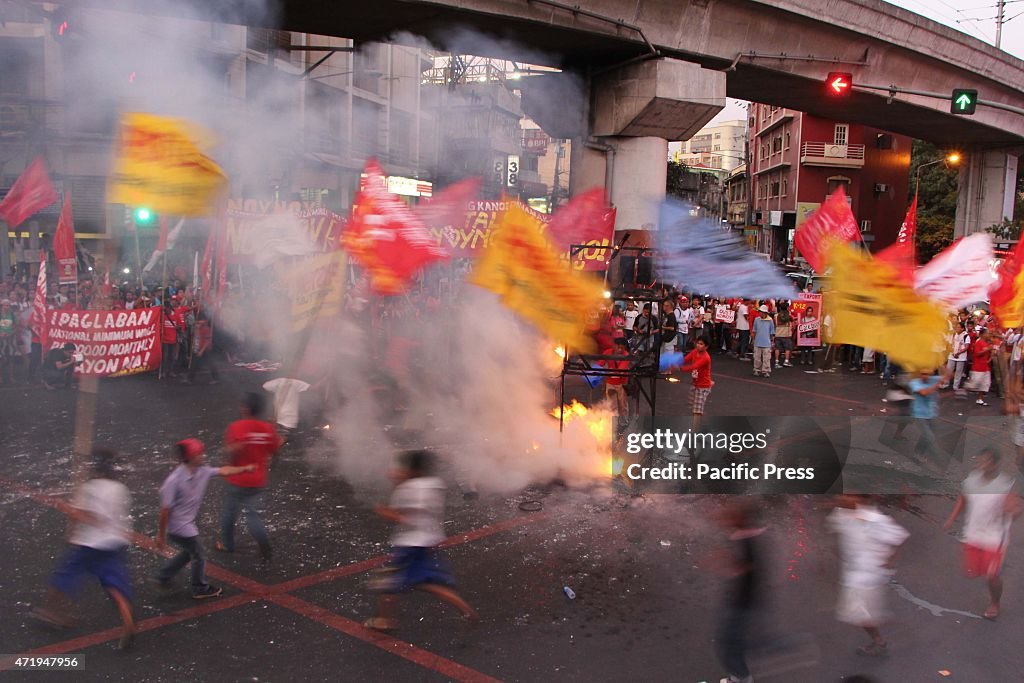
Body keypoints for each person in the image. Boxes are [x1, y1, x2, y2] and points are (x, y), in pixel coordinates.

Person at [364, 449, 476, 632]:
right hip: (429, 540)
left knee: (388, 583)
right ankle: (466, 609)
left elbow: (406, 517)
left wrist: (384, 511)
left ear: (413, 470)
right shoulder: (435, 484)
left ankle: (384, 621)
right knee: (428, 583)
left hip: (409, 545)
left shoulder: (407, 489)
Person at [34, 449, 136, 649]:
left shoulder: (90, 487)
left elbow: (91, 518)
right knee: (114, 584)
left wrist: (68, 510)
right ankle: (128, 622)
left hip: (90, 544)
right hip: (115, 542)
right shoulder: (120, 488)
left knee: (65, 575)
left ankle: (51, 612)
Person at [156, 439, 256, 599]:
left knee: (190, 553)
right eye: (199, 453)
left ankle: (164, 575)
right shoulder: (173, 481)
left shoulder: (202, 471)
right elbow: (164, 510)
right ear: (191, 457)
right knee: (199, 554)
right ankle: (199, 587)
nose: (203, 455)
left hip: (186, 524)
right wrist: (160, 536)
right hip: (179, 527)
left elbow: (224, 471)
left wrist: (244, 468)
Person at [827, 495, 909, 657]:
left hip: (868, 577)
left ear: (859, 499)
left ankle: (879, 640)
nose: (842, 498)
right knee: (858, 613)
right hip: (855, 574)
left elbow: (899, 537)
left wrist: (888, 560)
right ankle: (878, 629)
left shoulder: (876, 520)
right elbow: (834, 529)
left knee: (859, 614)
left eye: (848, 495)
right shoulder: (841, 513)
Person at [944, 448, 1020, 619]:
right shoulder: (972, 480)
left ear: (994, 464)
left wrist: (1013, 512)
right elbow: (963, 498)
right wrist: (951, 517)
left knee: (992, 576)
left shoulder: (1005, 484)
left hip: (995, 538)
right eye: (979, 461)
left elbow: (1014, 510)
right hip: (973, 534)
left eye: (984, 462)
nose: (980, 465)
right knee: (972, 572)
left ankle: (995, 603)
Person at [217, 393, 283, 560]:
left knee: (230, 512)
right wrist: (270, 468)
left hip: (237, 478)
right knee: (252, 514)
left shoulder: (236, 427)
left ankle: (227, 544)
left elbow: (230, 452)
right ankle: (262, 542)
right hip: (258, 480)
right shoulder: (268, 429)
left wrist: (227, 466)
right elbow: (276, 452)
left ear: (245, 408)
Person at [714, 500, 766, 683]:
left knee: (729, 646)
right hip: (744, 602)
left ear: (741, 519)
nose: (726, 519)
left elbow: (748, 567)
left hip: (743, 604)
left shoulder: (747, 540)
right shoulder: (746, 537)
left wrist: (728, 565)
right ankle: (738, 677)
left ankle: (742, 679)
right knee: (732, 644)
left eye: (731, 516)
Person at [677, 337, 713, 416]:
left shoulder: (706, 358)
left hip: (702, 386)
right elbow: (685, 359)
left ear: (706, 347)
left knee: (696, 412)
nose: (698, 345)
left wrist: (680, 368)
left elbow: (693, 367)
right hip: (695, 384)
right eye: (698, 343)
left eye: (701, 344)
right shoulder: (695, 352)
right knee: (695, 407)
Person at [964, 331, 993, 406]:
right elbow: (976, 354)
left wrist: (990, 357)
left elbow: (988, 355)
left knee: (985, 384)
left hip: (985, 367)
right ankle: (962, 390)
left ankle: (980, 399)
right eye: (987, 333)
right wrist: (986, 349)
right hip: (978, 367)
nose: (988, 335)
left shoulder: (987, 343)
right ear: (982, 335)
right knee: (974, 384)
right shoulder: (979, 342)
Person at [604, 337, 630, 416]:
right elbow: (600, 363)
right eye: (618, 347)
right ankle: (612, 422)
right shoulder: (608, 352)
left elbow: (621, 369)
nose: (620, 350)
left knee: (623, 405)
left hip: (622, 384)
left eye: (622, 348)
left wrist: (610, 371)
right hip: (610, 383)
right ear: (614, 346)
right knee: (611, 404)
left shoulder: (626, 355)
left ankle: (624, 423)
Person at [943, 322, 971, 391]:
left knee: (958, 371)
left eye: (958, 327)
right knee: (949, 370)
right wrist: (952, 352)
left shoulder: (966, 336)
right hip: (952, 355)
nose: (957, 328)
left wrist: (958, 353)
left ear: (962, 328)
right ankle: (946, 384)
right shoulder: (953, 334)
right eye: (956, 327)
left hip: (961, 356)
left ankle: (955, 386)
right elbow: (949, 344)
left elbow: (966, 347)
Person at [751, 305, 775, 378]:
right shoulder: (756, 319)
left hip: (766, 342)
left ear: (765, 313)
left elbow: (772, 332)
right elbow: (754, 330)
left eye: (761, 312)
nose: (760, 313)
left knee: (766, 358)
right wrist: (753, 339)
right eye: (759, 312)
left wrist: (772, 341)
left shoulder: (770, 320)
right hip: (757, 341)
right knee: (757, 357)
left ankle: (766, 371)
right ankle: (756, 370)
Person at [773, 302, 794, 369]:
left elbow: (774, 324)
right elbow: (793, 320)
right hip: (786, 335)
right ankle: (786, 361)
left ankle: (776, 362)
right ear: (787, 308)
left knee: (777, 348)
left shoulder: (776, 316)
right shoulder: (789, 315)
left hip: (778, 334)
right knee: (787, 348)